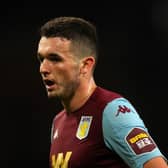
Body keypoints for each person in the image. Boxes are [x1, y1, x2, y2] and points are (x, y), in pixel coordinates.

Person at [36, 16, 168, 168]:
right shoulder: (58, 123)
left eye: (55, 59)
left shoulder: (112, 111)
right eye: (41, 59)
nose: (43, 69)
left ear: (85, 65)